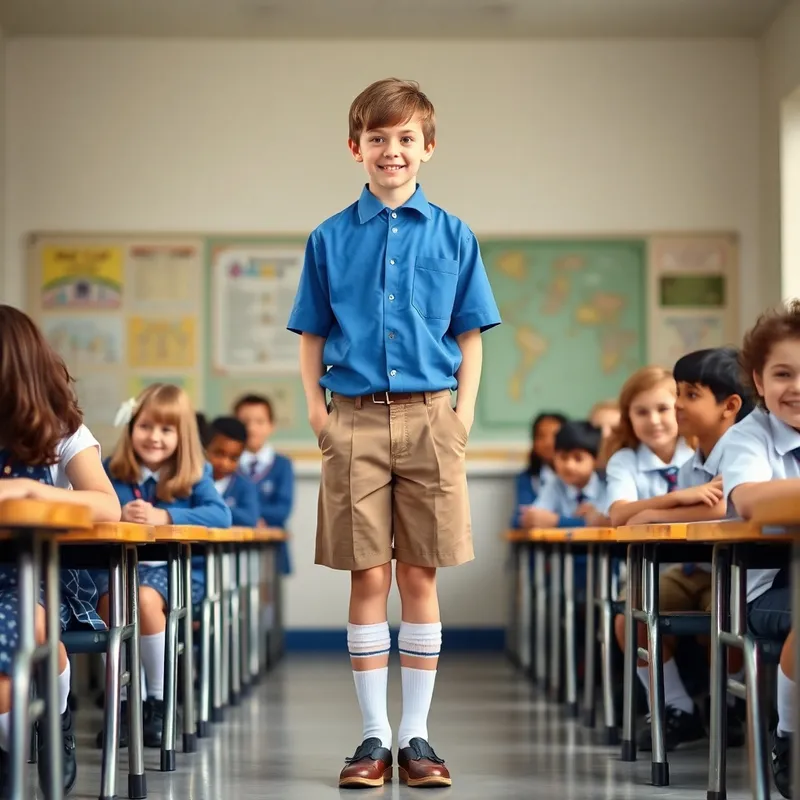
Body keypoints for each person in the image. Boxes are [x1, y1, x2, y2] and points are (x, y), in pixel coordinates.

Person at [287, 77, 500, 788]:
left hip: (431, 417)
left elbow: (470, 334)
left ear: (428, 148)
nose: (392, 150)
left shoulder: (455, 235)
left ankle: (417, 737)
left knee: (419, 573)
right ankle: (372, 738)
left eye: (406, 138)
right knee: (368, 574)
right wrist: (319, 416)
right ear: (356, 148)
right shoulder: (328, 237)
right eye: (377, 138)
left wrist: (462, 416)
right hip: (351, 418)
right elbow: (312, 334)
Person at [0, 305, 121, 796]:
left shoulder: (61, 432)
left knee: (31, 623)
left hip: (33, 579)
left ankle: (56, 717)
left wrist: (30, 493)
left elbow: (107, 506)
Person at [615, 348, 753, 750]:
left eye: (689, 395)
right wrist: (665, 508)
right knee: (632, 617)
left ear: (729, 406)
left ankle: (725, 706)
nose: (676, 404)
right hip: (695, 568)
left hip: (737, 571)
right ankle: (679, 709)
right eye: (677, 392)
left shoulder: (743, 445)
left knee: (723, 618)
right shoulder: (696, 459)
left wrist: (648, 515)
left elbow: (717, 506)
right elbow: (697, 505)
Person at [92, 384, 231, 749]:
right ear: (131, 427)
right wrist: (115, 513)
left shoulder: (196, 473)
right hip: (122, 571)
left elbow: (221, 515)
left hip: (177, 575)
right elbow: (90, 510)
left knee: (145, 600)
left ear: (181, 435)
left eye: (166, 430)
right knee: (111, 604)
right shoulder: (110, 471)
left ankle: (157, 701)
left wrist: (164, 514)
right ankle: (125, 706)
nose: (154, 437)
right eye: (146, 427)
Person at [717, 301, 800, 797]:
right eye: (783, 373)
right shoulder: (748, 438)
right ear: (758, 379)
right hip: (764, 590)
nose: (797, 386)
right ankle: (789, 739)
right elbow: (750, 500)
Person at [234, 394, 294, 572]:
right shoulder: (226, 465)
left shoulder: (282, 464)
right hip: (234, 548)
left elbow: (282, 510)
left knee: (269, 597)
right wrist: (252, 518)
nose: (252, 428)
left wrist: (246, 516)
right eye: (245, 422)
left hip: (271, 549)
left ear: (271, 426)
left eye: (260, 421)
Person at [520, 420, 606, 529]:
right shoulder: (554, 485)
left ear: (596, 460)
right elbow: (536, 519)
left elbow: (607, 522)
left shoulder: (606, 486)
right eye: (563, 457)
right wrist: (580, 522)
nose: (569, 465)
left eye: (578, 458)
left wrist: (556, 521)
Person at [510, 412, 567, 528]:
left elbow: (589, 519)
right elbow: (519, 518)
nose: (548, 443)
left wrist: (555, 520)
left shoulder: (577, 476)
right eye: (541, 436)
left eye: (555, 436)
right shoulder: (528, 478)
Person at [205, 416, 260, 527]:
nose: (225, 463)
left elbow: (250, 518)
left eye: (234, 458)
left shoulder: (244, 484)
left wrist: (213, 506)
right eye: (219, 454)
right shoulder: (192, 479)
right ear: (205, 447)